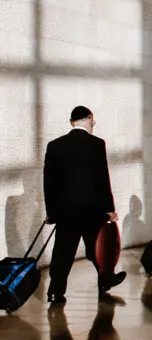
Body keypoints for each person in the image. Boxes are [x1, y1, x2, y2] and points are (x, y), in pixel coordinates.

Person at [43, 106, 127, 304]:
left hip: (66, 212)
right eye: (93, 121)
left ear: (73, 122)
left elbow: (49, 183)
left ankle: (55, 292)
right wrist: (110, 209)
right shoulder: (96, 144)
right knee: (98, 249)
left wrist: (51, 212)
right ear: (88, 119)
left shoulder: (55, 145)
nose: (93, 125)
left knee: (63, 252)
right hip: (92, 210)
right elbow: (102, 179)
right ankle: (106, 280)